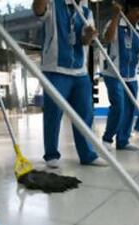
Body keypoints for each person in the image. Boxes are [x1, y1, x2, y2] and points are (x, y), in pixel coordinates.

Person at [32, 0, 108, 168]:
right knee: (53, 113)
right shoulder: (53, 3)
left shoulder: (86, 11)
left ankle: (87, 154)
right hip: (55, 68)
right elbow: (38, 10)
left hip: (79, 71)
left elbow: (85, 41)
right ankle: (51, 154)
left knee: (85, 113)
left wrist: (89, 35)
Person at [101, 0, 139, 151]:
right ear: (130, 8)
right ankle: (107, 138)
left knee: (130, 109)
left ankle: (123, 141)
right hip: (114, 73)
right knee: (118, 106)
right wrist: (116, 16)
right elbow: (107, 38)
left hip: (131, 75)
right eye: (138, 10)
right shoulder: (115, 23)